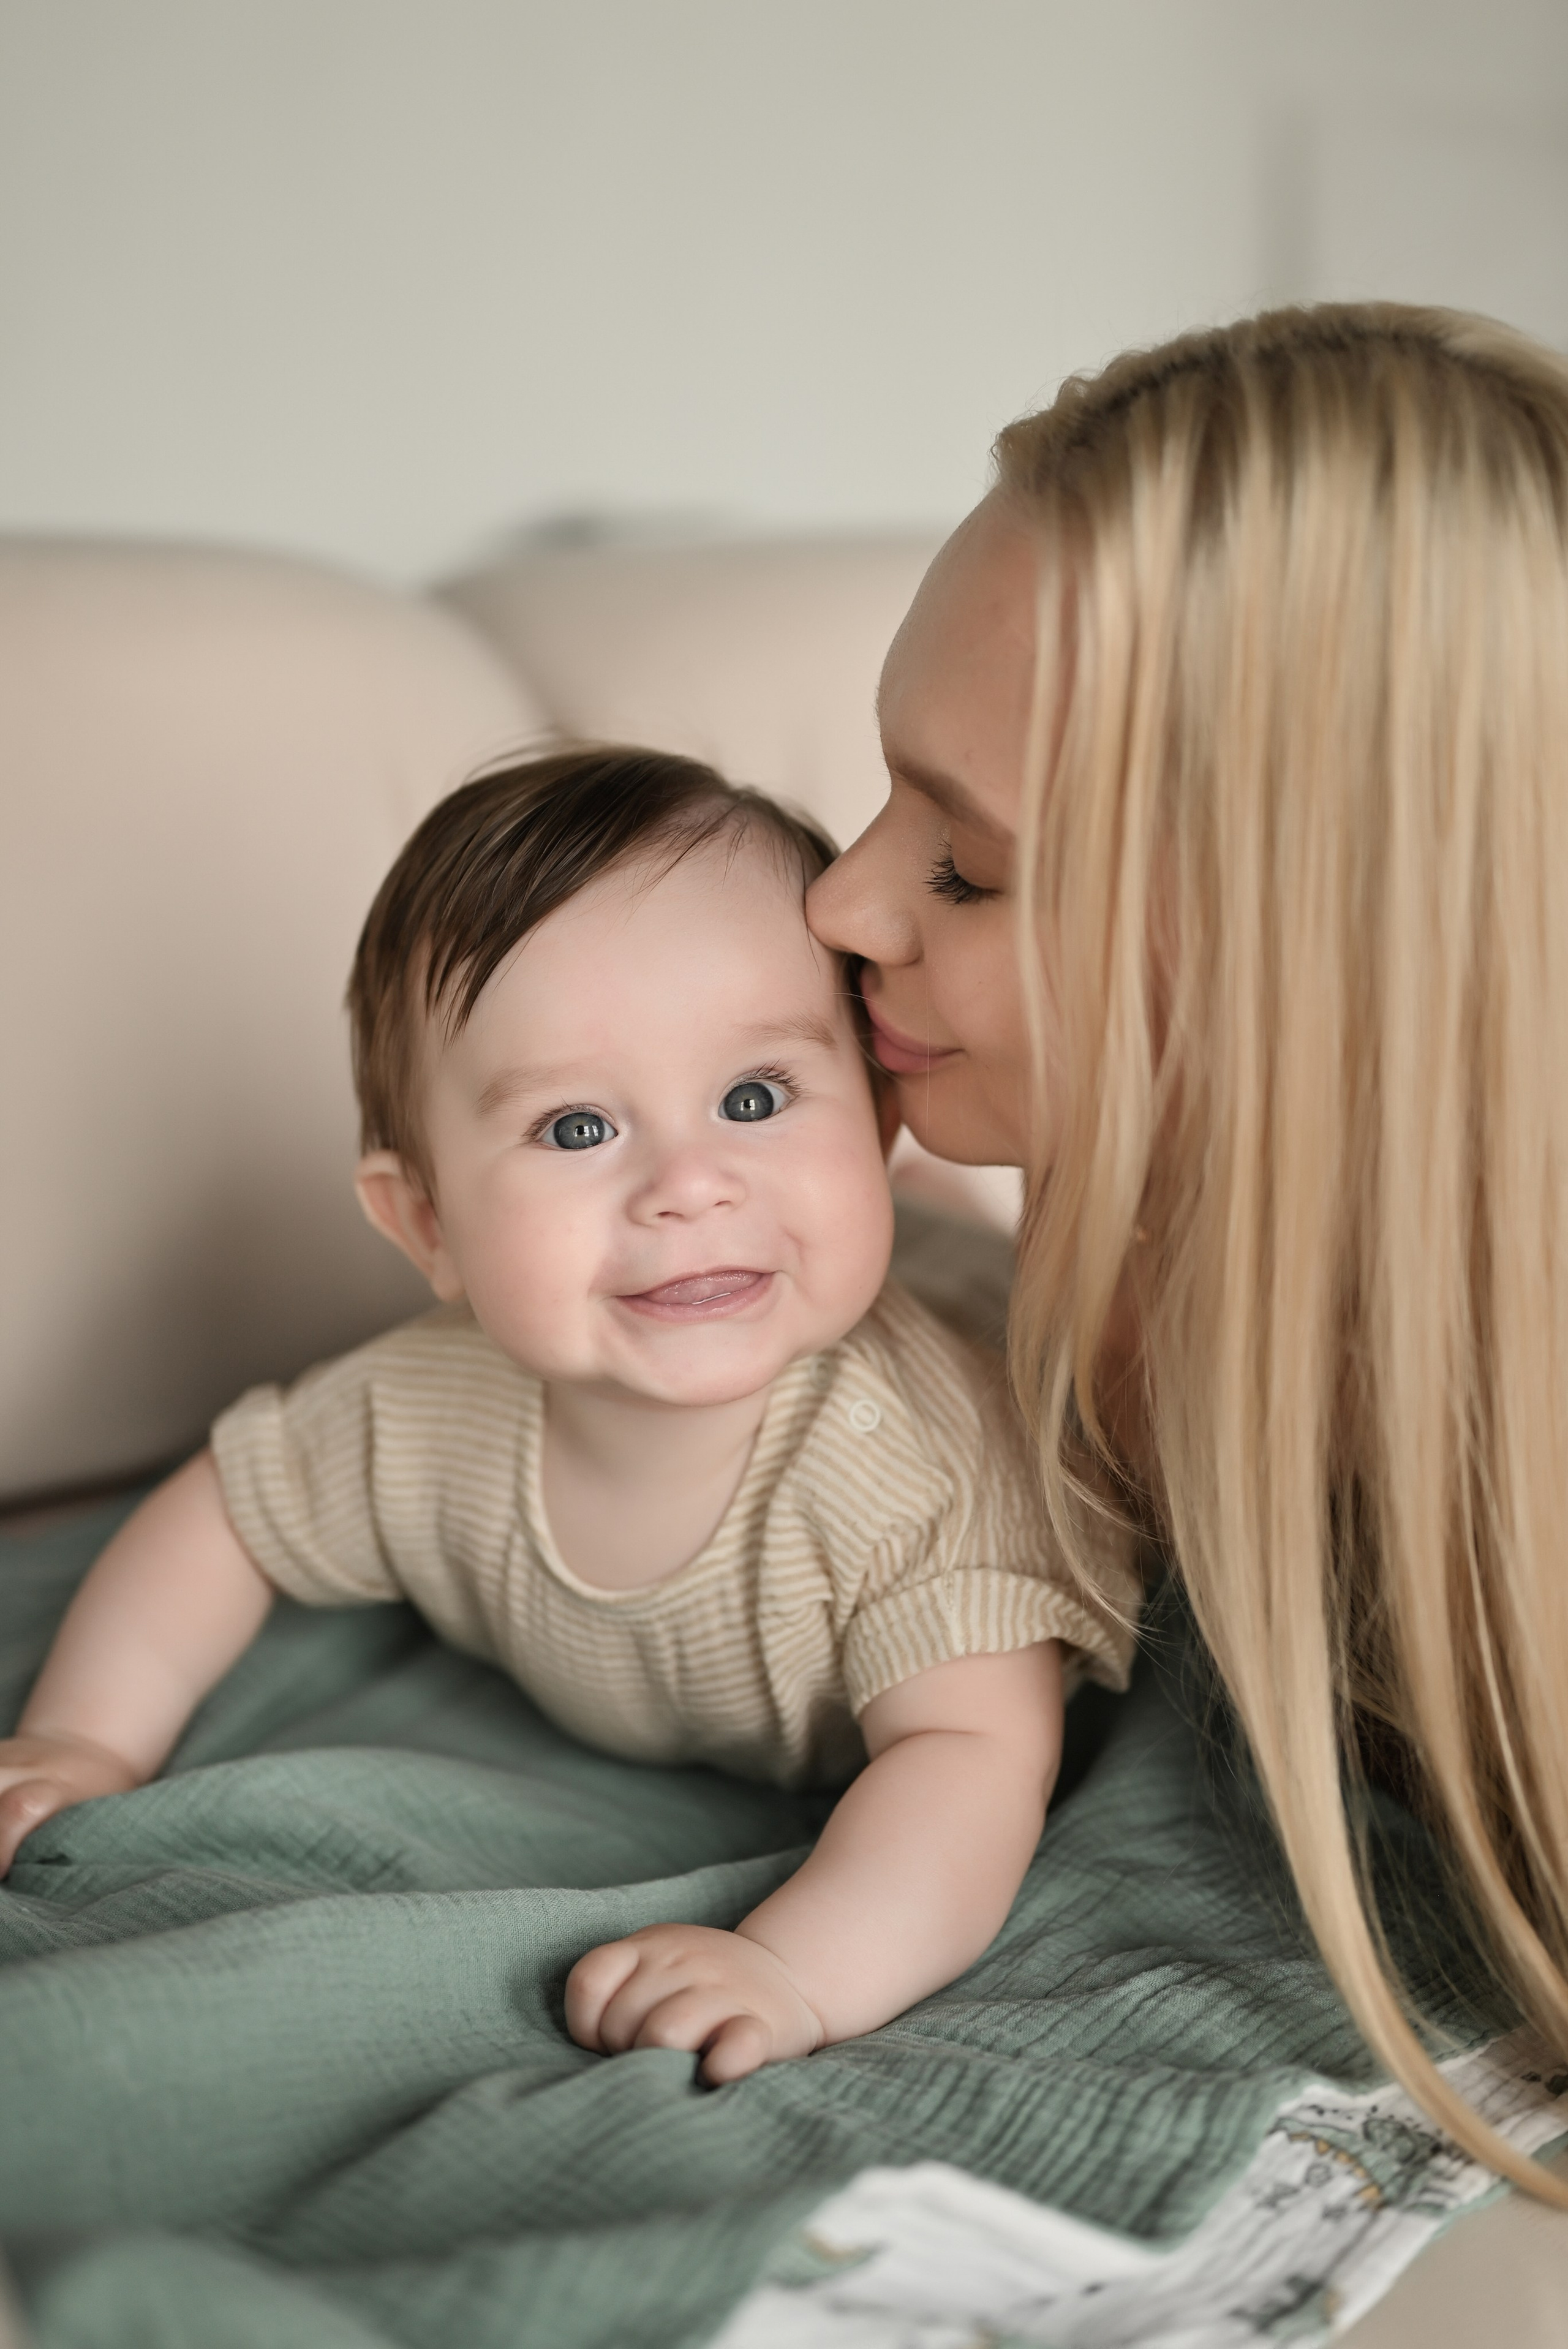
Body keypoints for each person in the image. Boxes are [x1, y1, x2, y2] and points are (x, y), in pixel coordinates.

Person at [0, 746, 1134, 2083]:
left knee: (1021, 1312)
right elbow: (222, 1517)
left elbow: (972, 1761)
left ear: (881, 1123)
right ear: (427, 1223)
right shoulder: (423, 1412)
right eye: (579, 1129)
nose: (688, 1185)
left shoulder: (923, 1479)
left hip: (991, 1344)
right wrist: (87, 1734)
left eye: (755, 1099)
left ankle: (947, 1228)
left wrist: (793, 1966)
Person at [807, 300, 1568, 2199]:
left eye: (968, 866)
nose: (840, 897)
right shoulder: (1101, 1270)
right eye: (888, 796)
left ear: (1322, 955)